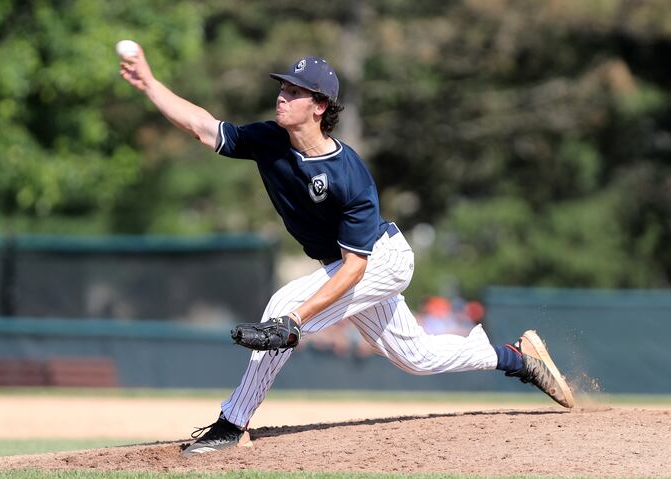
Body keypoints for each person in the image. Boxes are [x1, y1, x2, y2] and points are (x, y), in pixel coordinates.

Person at [119, 49, 575, 456]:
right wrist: (151, 83)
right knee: (417, 359)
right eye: (283, 87)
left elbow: (357, 267)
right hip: (342, 266)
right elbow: (203, 127)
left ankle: (232, 422)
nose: (282, 95)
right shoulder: (269, 140)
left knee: (282, 308)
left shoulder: (348, 173)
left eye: (295, 91)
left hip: (380, 260)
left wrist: (296, 320)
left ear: (319, 107)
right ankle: (519, 357)